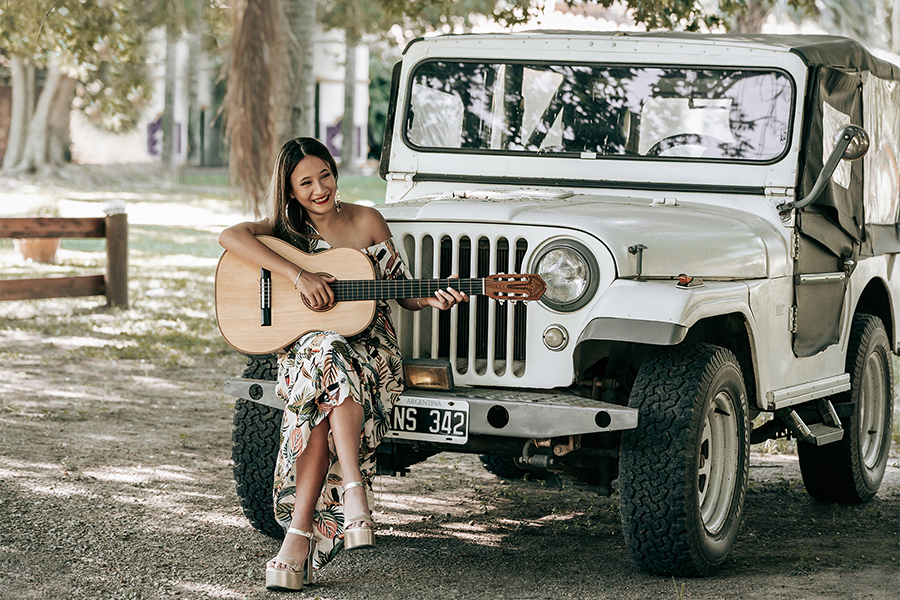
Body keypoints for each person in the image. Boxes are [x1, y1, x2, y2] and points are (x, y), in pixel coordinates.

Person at [218, 137, 467, 592]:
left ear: (336, 173)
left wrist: (432, 295)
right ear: (290, 190)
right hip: (305, 351)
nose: (319, 189)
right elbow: (229, 237)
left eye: (325, 176)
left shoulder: (367, 220)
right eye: (305, 182)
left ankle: (295, 543)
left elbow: (404, 292)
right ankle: (353, 490)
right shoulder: (284, 233)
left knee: (326, 372)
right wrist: (299, 274)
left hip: (372, 350)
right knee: (326, 353)